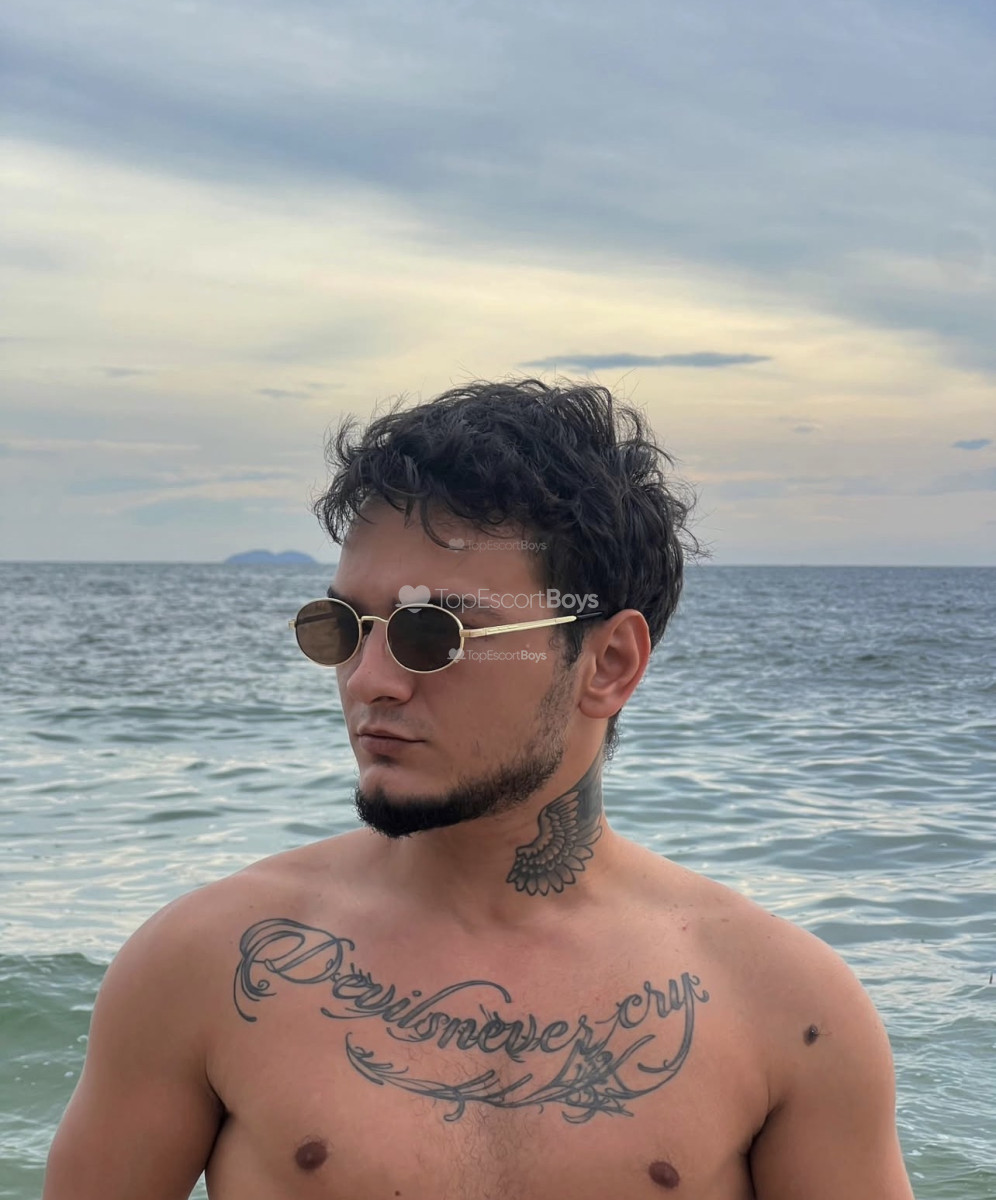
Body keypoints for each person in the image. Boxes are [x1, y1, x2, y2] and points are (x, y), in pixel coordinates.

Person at [44, 379, 914, 1199]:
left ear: (609, 663)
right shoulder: (206, 964)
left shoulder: (786, 1009)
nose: (369, 680)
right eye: (342, 627)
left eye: (434, 633)